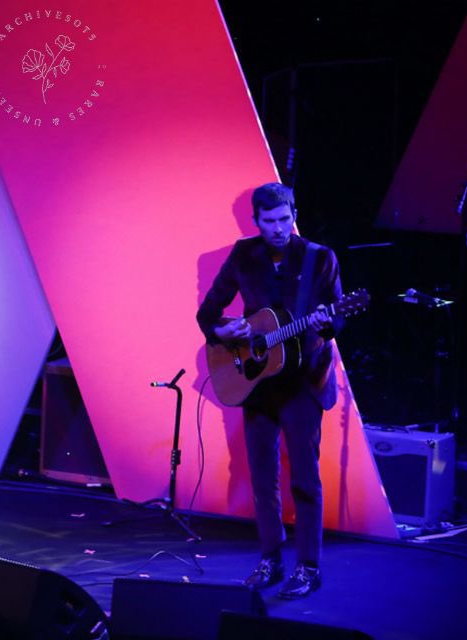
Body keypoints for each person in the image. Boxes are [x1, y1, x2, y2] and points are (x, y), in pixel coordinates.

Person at [196, 182, 343, 598]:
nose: (278, 228)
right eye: (269, 221)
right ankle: (270, 559)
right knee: (262, 477)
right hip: (257, 381)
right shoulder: (244, 255)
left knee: (304, 478)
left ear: (293, 214)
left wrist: (326, 322)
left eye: (285, 219)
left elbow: (337, 316)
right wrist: (226, 329)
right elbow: (208, 312)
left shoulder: (320, 257)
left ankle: (308, 567)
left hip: (302, 381)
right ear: (256, 221)